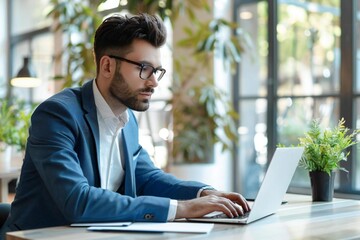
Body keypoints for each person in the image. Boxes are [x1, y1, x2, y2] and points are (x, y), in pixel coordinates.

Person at [1, 13, 250, 237]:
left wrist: (204, 194)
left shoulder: (127, 120)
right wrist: (182, 208)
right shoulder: (57, 115)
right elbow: (78, 201)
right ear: (108, 65)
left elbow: (148, 178)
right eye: (144, 68)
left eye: (157, 71)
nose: (154, 82)